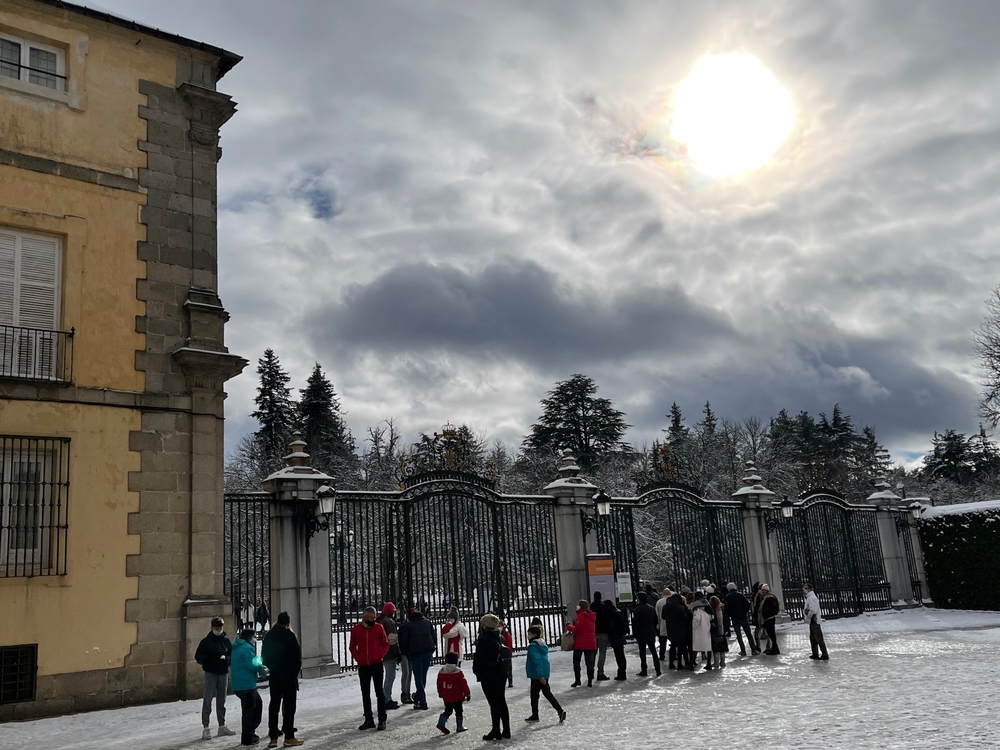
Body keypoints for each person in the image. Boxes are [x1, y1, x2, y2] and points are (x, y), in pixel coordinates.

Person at [261, 612, 303, 748]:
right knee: (289, 706)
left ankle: (273, 736)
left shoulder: (269, 635)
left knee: (274, 705)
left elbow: (264, 657)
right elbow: (297, 657)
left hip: (275, 675)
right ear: (288, 622)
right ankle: (289, 736)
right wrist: (293, 672)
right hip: (289, 676)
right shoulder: (289, 635)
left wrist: (273, 667)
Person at [195, 616, 236, 740]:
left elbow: (231, 654)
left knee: (221, 700)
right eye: (216, 628)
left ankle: (222, 725)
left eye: (220, 628)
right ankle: (206, 727)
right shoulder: (206, 642)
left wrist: (227, 659)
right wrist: (211, 659)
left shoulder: (226, 641)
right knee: (208, 698)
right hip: (211, 672)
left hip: (223, 671)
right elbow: (198, 657)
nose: (218, 630)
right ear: (212, 627)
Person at [350, 606, 390, 731]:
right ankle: (368, 719)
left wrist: (380, 655)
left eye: (374, 617)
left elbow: (385, 643)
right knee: (365, 694)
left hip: (376, 664)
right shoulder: (356, 629)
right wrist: (358, 658)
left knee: (379, 692)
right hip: (363, 665)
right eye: (371, 618)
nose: (373, 619)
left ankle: (382, 719)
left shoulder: (379, 627)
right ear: (365, 617)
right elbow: (352, 646)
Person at [473, 613, 511, 741]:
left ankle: (496, 730)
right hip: (501, 673)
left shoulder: (483, 640)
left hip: (488, 674)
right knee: (501, 700)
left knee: (493, 703)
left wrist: (477, 671)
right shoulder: (500, 637)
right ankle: (506, 729)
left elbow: (479, 659)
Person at [231, 627, 267, 747]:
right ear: (248, 638)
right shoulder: (246, 648)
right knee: (252, 710)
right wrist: (261, 668)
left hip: (239, 685)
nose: (254, 639)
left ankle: (249, 734)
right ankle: (248, 736)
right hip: (246, 685)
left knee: (248, 709)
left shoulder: (236, 647)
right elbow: (252, 664)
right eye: (253, 637)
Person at [524, 625, 566, 723]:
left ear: (534, 634)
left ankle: (535, 714)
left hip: (537, 675)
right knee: (547, 693)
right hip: (544, 673)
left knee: (534, 696)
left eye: (529, 634)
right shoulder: (542, 645)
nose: (528, 636)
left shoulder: (533, 646)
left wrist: (539, 675)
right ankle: (560, 710)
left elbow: (536, 661)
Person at [398, 606, 436, 710]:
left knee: (418, 677)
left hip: (416, 653)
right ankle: (418, 698)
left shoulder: (408, 626)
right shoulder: (427, 623)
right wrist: (432, 648)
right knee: (423, 676)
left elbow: (404, 642)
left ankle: (422, 701)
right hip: (428, 651)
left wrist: (406, 654)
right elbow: (434, 636)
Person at [436, 652, 471, 734]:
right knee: (459, 711)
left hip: (446, 696)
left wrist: (440, 692)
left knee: (448, 710)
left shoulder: (441, 672)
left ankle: (441, 723)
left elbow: (439, 683)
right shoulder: (458, 672)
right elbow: (463, 684)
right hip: (457, 696)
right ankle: (459, 726)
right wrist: (467, 693)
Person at [566, 599, 597, 687]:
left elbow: (577, 629)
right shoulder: (591, 616)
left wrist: (568, 626)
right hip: (590, 643)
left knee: (576, 661)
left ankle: (577, 680)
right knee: (589, 662)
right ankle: (590, 680)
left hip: (580, 643)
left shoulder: (581, 616)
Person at [724, 583, 759, 656]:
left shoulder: (727, 597)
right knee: (748, 634)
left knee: (738, 635)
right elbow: (747, 604)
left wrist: (729, 615)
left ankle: (743, 650)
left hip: (734, 618)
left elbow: (726, 609)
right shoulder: (740, 595)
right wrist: (744, 611)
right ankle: (753, 649)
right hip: (743, 617)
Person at [631, 591, 661, 676]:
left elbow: (636, 623)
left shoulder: (637, 609)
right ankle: (658, 669)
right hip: (650, 631)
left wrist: (635, 633)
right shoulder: (651, 608)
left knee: (642, 652)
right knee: (653, 652)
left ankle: (644, 669)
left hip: (641, 633)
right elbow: (655, 620)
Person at [378, 603, 401, 710]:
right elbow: (392, 640)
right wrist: (397, 654)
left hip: (381, 652)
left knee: (387, 676)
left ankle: (385, 698)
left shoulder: (379, 621)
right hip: (389, 653)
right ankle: (386, 699)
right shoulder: (389, 622)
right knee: (390, 676)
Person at [663, 590, 691, 670]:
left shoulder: (665, 606)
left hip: (670, 628)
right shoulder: (680, 607)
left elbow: (663, 617)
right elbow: (684, 618)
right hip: (680, 629)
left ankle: (671, 663)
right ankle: (680, 664)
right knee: (681, 647)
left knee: (673, 646)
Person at [803, 583, 829, 660]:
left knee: (818, 638)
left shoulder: (811, 598)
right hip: (812, 621)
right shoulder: (809, 597)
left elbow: (813, 610)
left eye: (805, 588)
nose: (804, 590)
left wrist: (808, 616)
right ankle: (815, 653)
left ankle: (824, 654)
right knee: (813, 638)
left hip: (814, 620)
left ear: (809, 589)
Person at [690, 591, 715, 670]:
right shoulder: (707, 605)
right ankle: (708, 664)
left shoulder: (696, 607)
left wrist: (693, 627)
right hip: (706, 628)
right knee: (708, 646)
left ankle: (691, 664)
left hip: (698, 629)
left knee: (696, 646)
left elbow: (697, 619)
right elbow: (712, 617)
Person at [591, 591, 611, 681]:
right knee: (602, 654)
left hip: (593, 633)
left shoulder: (590, 607)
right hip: (603, 632)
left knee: (592, 654)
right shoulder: (604, 606)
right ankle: (600, 672)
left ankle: (590, 672)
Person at [759, 584, 781, 655]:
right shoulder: (764, 598)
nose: (763, 591)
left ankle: (775, 648)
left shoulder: (770, 598)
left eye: (764, 590)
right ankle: (773, 648)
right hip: (766, 618)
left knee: (771, 634)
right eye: (762, 590)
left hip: (770, 618)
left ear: (767, 591)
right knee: (770, 634)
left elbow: (773, 608)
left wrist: (766, 612)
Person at [709, 595, 728, 668]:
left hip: (714, 629)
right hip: (721, 629)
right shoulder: (722, 608)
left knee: (715, 646)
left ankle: (716, 662)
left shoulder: (711, 610)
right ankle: (722, 661)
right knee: (722, 645)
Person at [655, 588, 672, 660]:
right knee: (673, 641)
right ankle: (673, 655)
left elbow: (657, 614)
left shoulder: (659, 602)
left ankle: (662, 655)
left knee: (662, 641)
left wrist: (657, 626)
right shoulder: (673, 601)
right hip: (672, 624)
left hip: (662, 624)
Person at [500, 622, 514, 688]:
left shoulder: (506, 634)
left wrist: (508, 652)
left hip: (506, 654)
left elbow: (509, 644)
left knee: (508, 669)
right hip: (501, 654)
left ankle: (510, 680)